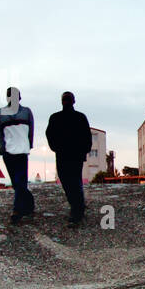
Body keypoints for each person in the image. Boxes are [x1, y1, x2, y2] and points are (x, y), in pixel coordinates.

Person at [46, 91, 92, 227]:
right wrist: (55, 148)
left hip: (74, 156)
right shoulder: (55, 117)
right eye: (64, 99)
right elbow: (50, 135)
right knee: (68, 182)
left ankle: (77, 210)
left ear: (73, 101)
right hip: (63, 155)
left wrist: (85, 149)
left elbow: (86, 135)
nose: (66, 101)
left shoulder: (79, 117)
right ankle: (78, 206)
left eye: (68, 99)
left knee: (74, 182)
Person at [0, 86, 35, 224]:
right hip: (8, 152)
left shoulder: (26, 112)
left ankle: (17, 211)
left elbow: (31, 130)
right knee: (17, 183)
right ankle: (29, 204)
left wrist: (28, 145)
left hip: (21, 152)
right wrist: (3, 147)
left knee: (20, 182)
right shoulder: (1, 112)